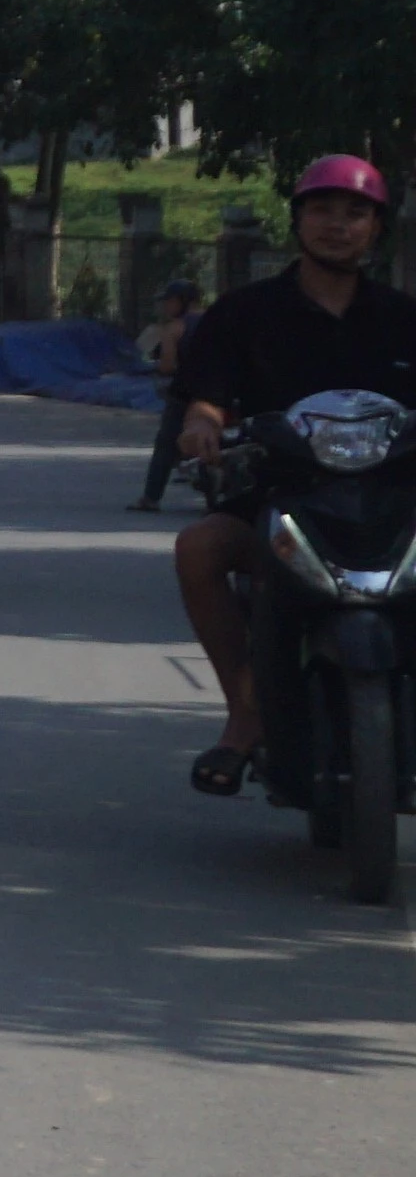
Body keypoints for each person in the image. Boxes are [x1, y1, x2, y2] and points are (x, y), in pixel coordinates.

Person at [163, 157, 416, 797]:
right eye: (323, 210)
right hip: (278, 500)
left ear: (376, 228)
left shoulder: (402, 317)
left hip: (393, 506)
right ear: (298, 221)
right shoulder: (245, 313)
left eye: (355, 213)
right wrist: (202, 426)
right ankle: (244, 715)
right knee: (199, 547)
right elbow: (206, 396)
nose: (338, 226)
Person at [133, 279, 209, 512]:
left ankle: (151, 497)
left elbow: (167, 366)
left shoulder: (175, 328)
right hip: (221, 394)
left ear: (180, 302)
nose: (166, 307)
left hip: (186, 394)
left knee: (166, 443)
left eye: (169, 302)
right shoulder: (219, 319)